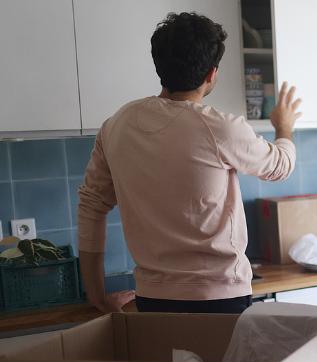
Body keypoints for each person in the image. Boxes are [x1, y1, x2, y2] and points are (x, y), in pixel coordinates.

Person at [77, 12, 302, 314]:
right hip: (221, 297)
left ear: (159, 66)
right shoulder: (220, 127)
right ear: (211, 74)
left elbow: (91, 206)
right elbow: (280, 165)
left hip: (153, 299)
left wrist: (97, 296)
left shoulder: (117, 125)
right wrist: (283, 127)